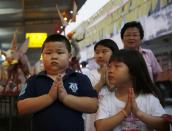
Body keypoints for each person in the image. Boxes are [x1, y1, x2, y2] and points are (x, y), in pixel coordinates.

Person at [17, 34, 98, 131]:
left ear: (69, 56)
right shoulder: (34, 80)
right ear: (42, 56)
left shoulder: (79, 78)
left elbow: (93, 106)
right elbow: (21, 108)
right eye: (48, 53)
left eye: (60, 53)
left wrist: (65, 98)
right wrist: (49, 97)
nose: (54, 56)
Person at [95, 49, 169, 131]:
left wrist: (138, 113)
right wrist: (125, 112)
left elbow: (165, 126)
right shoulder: (107, 99)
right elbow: (100, 127)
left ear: (133, 71)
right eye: (109, 66)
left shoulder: (149, 99)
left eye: (117, 66)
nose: (110, 71)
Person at [84, 39, 119, 131]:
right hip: (94, 118)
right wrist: (101, 82)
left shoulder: (121, 73)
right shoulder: (89, 75)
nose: (100, 55)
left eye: (104, 51)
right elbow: (87, 96)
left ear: (114, 52)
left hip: (115, 116)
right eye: (97, 52)